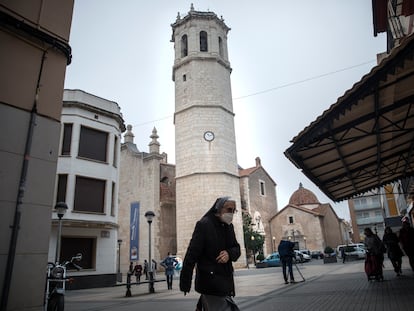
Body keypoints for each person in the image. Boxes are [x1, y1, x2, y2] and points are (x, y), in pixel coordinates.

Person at [179, 196, 241, 311]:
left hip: (225, 283)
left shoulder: (229, 226)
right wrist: (185, 282)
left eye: (234, 210)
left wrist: (229, 253)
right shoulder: (204, 225)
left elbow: (236, 249)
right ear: (219, 209)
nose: (231, 213)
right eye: (229, 210)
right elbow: (191, 255)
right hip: (210, 284)